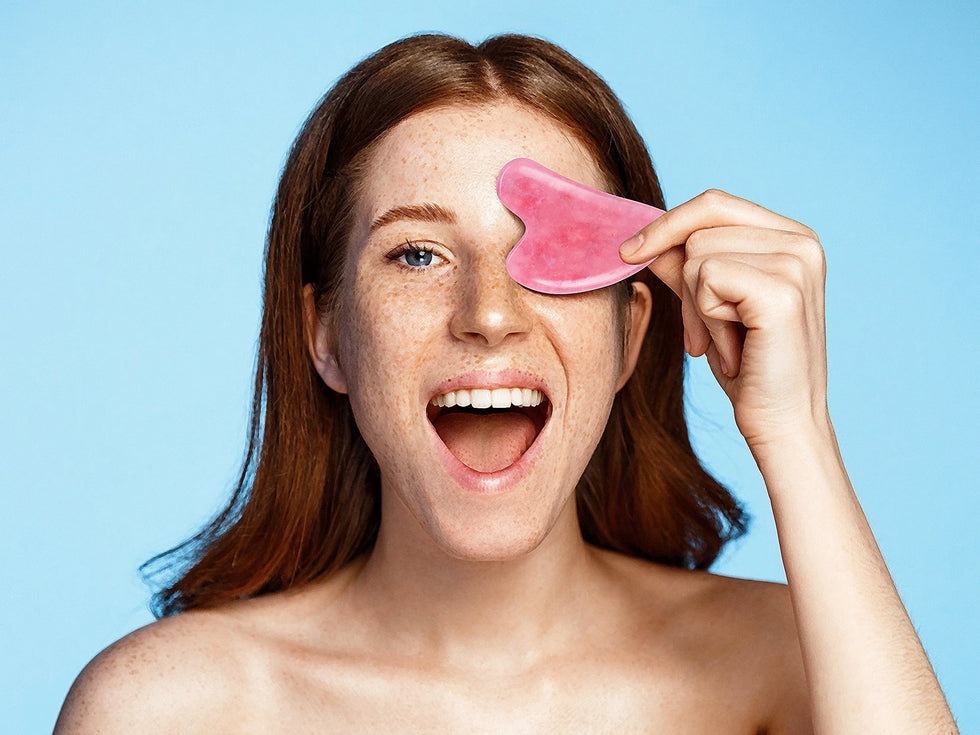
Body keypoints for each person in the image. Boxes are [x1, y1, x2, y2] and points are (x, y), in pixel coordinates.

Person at [54, 33, 956, 733]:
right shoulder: (169, 707)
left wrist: (794, 429)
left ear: (632, 333)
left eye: (547, 258)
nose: (488, 313)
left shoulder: (788, 662)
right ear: (325, 335)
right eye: (417, 253)